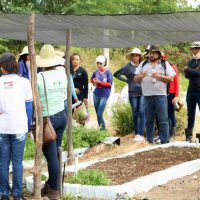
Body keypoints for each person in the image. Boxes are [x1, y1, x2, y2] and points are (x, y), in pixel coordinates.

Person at [0, 53, 33, 200]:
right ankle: (18, 195)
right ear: (15, 65)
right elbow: (29, 107)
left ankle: (4, 194)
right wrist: (28, 126)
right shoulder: (24, 82)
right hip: (19, 126)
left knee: (3, 162)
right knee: (18, 163)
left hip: (2, 127)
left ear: (2, 67)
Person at [36, 45, 67, 200]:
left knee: (51, 156)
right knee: (56, 152)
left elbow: (35, 98)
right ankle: (53, 183)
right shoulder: (63, 74)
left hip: (49, 119)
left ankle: (54, 189)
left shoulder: (40, 77)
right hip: (62, 115)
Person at [134, 45, 176, 144]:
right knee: (149, 120)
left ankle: (165, 141)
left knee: (163, 119)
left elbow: (171, 79)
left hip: (161, 95)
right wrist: (141, 76)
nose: (151, 55)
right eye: (149, 53)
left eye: (153, 53)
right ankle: (149, 141)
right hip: (147, 96)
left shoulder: (164, 64)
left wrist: (159, 76)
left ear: (158, 54)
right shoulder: (143, 64)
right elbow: (135, 79)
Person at [113, 48, 145, 141]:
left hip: (143, 92)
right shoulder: (127, 67)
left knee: (142, 112)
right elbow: (116, 74)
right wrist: (127, 81)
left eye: (137, 55)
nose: (135, 57)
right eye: (133, 55)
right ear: (131, 57)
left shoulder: (143, 66)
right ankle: (137, 133)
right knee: (135, 113)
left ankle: (141, 133)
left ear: (139, 57)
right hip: (132, 92)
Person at [184, 41, 200, 142]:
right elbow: (186, 75)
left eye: (196, 48)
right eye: (193, 48)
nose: (194, 50)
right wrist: (193, 70)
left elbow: (198, 73)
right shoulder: (191, 61)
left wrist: (189, 69)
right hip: (190, 91)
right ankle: (189, 135)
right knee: (190, 114)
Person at [91, 55, 113, 130]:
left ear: (104, 63)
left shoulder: (108, 72)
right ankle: (101, 130)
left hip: (104, 95)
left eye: (100, 63)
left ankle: (103, 131)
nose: (99, 65)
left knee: (100, 114)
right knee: (97, 114)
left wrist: (100, 82)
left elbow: (110, 84)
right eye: (98, 63)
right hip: (96, 94)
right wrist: (94, 82)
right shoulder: (95, 72)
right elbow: (92, 80)